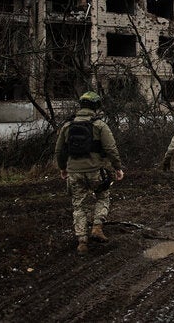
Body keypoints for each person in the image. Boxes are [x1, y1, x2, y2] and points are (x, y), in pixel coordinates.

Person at [55, 91, 124, 255]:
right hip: (95, 171)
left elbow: (59, 150)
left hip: (74, 172)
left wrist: (63, 168)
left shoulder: (67, 125)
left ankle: (82, 242)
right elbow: (110, 149)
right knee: (102, 196)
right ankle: (97, 227)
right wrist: (117, 167)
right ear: (96, 107)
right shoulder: (99, 125)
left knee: (78, 205)